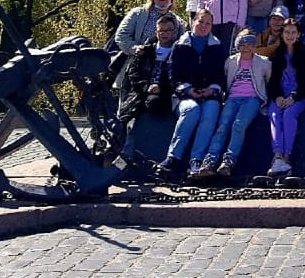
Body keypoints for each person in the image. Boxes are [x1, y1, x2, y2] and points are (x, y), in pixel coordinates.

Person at [157, 9, 226, 177]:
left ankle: (197, 160)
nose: (204, 26)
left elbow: (221, 75)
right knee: (191, 110)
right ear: (193, 22)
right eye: (200, 21)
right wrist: (188, 90)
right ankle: (173, 158)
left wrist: (212, 89)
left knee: (210, 113)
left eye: (208, 23)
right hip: (184, 96)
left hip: (210, 95)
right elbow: (173, 75)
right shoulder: (180, 46)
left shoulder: (217, 47)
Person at [196, 29, 272, 179]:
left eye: (250, 43)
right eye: (242, 43)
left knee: (239, 125)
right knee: (222, 126)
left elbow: (268, 81)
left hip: (252, 98)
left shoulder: (264, 63)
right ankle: (210, 160)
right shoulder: (230, 61)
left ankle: (229, 160)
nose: (246, 47)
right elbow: (225, 79)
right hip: (233, 98)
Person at [267, 17, 305, 176]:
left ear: (299, 34)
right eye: (287, 32)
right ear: (282, 34)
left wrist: (293, 97)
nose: (290, 35)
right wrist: (278, 96)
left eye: (293, 32)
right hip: (281, 95)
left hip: (299, 96)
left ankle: (286, 158)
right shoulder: (277, 54)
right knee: (274, 114)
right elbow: (273, 81)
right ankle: (277, 157)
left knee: (288, 115)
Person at [113, 0, 183, 89]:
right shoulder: (138, 14)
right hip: (137, 67)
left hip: (164, 73)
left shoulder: (179, 22)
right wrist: (134, 48)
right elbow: (121, 36)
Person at [117, 13, 181, 124]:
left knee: (155, 103)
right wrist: (146, 87)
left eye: (168, 30)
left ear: (174, 32)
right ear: (156, 33)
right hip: (141, 92)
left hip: (166, 94)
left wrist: (161, 88)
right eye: (161, 30)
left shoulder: (179, 53)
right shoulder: (145, 51)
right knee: (125, 116)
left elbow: (179, 78)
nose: (164, 33)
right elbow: (134, 74)